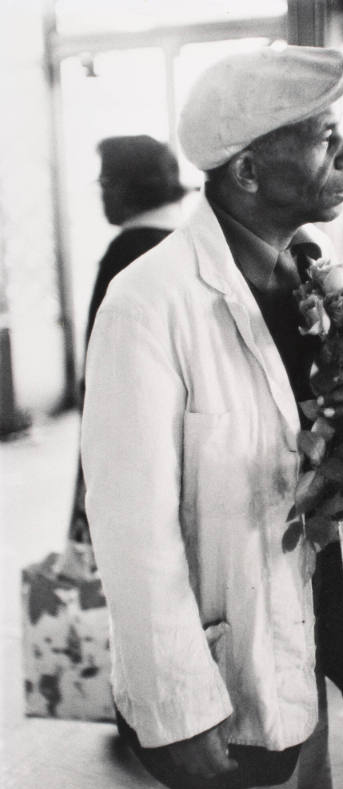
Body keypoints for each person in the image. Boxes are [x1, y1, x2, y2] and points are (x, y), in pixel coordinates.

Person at [81, 45, 343, 789]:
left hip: (306, 626)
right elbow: (131, 528)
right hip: (225, 663)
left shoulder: (311, 269)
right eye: (323, 138)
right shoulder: (149, 302)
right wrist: (177, 705)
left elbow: (294, 451)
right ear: (248, 172)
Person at [67, 135, 189, 548]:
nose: (102, 194)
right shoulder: (186, 242)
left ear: (130, 186)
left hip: (129, 444)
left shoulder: (127, 251)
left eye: (105, 182)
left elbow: (101, 372)